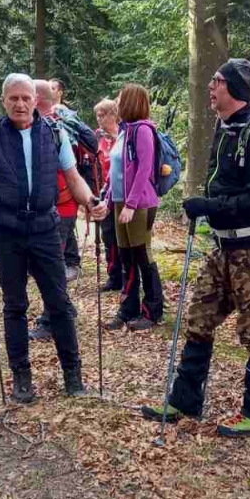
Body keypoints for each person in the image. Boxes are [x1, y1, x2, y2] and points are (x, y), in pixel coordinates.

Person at [141, 60, 250, 437]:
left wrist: (210, 207)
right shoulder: (226, 131)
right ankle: (184, 400)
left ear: (235, 88)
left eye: (218, 80)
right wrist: (210, 207)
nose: (211, 85)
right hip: (224, 247)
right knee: (199, 318)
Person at [0, 73, 106, 402]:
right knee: (15, 305)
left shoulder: (53, 134)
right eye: (13, 98)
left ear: (36, 100)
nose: (20, 104)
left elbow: (74, 178)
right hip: (5, 230)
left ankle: (74, 376)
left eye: (26, 97)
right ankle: (21, 377)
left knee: (60, 303)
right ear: (3, 101)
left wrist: (92, 201)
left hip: (44, 228)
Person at [105, 84, 164, 332]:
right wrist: (108, 200)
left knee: (142, 255)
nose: (117, 102)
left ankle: (152, 310)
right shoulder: (124, 131)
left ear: (130, 101)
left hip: (139, 204)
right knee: (126, 257)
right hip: (121, 203)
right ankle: (128, 308)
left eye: (120, 98)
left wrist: (131, 203)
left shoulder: (142, 131)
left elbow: (144, 170)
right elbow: (117, 172)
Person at [29, 78, 83, 339]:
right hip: (58, 205)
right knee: (49, 262)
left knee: (51, 265)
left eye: (27, 96)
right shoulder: (50, 125)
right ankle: (65, 309)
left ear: (36, 100)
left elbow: (68, 173)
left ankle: (52, 320)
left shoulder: (54, 128)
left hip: (60, 206)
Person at [94, 98, 123, 292]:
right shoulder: (98, 137)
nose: (99, 119)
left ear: (113, 114)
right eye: (97, 115)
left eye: (103, 114)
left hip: (122, 193)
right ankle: (114, 276)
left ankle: (128, 275)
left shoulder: (124, 134)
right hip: (104, 194)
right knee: (108, 235)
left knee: (124, 237)